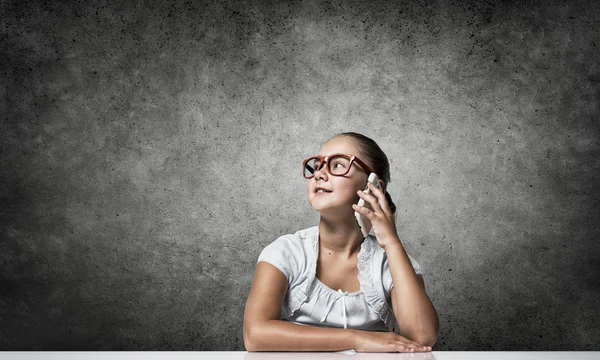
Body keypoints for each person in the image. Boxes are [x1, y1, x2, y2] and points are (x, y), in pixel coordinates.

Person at [243, 132, 439, 352]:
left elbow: (422, 336)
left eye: (337, 165)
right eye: (317, 165)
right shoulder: (285, 252)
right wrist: (355, 339)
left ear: (373, 186)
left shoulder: (391, 262)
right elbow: (255, 334)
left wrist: (392, 243)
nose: (319, 174)